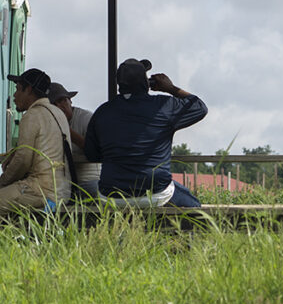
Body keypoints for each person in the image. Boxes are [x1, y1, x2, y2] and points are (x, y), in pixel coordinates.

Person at [84, 58, 207, 207]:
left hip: (111, 194)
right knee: (195, 208)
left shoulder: (103, 112)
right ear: (146, 82)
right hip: (156, 192)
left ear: (119, 84)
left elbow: (91, 154)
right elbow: (200, 107)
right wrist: (170, 88)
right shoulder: (163, 106)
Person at [0, 68, 71, 219]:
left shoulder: (32, 115)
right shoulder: (58, 113)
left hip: (40, 189)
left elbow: (23, 159)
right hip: (62, 191)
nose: (14, 95)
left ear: (28, 89)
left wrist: (1, 183)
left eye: (17, 89)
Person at [48, 82, 99, 199]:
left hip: (88, 180)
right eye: (53, 104)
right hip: (61, 184)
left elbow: (95, 149)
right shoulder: (47, 123)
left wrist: (67, 131)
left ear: (70, 101)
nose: (59, 106)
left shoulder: (86, 118)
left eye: (62, 100)